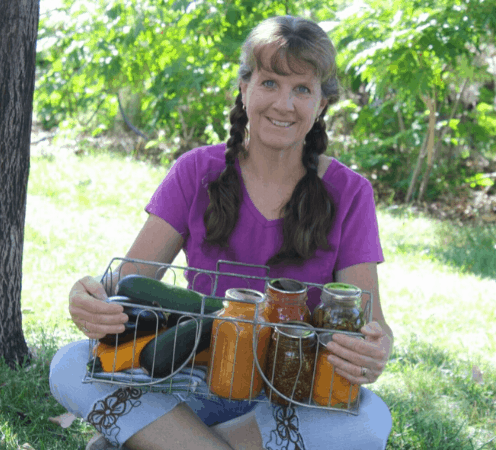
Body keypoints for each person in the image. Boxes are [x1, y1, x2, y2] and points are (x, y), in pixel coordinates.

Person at [49, 15, 394, 450]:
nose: (283, 104)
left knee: (368, 423)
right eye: (270, 83)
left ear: (322, 103)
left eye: (302, 89)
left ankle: (163, 441)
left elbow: (373, 323)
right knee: (68, 364)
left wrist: (376, 350)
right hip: (189, 381)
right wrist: (91, 295)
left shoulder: (350, 192)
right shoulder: (196, 171)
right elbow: (128, 281)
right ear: (245, 88)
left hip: (288, 394)